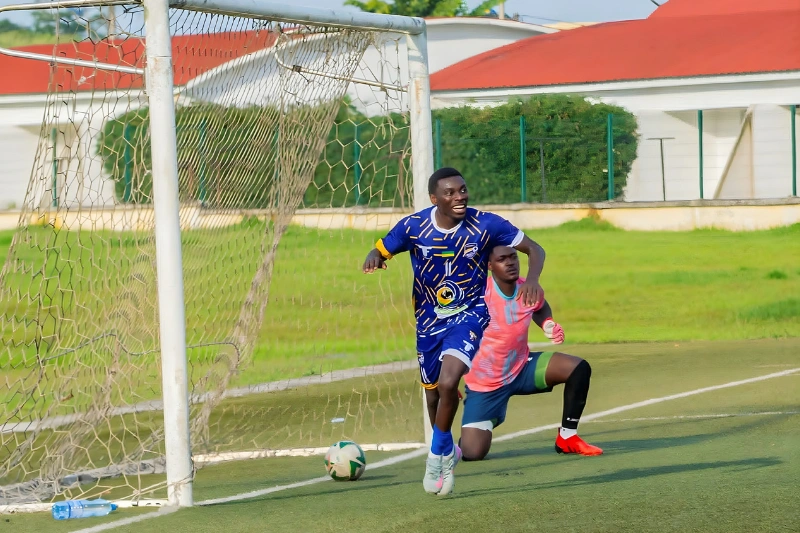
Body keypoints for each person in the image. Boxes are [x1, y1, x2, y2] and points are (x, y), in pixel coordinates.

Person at [362, 167, 546, 496]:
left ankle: (435, 457)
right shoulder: (414, 227)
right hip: (428, 322)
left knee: (449, 383)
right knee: (434, 393)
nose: (459, 196)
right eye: (450, 193)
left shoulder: (486, 224)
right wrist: (375, 256)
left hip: (470, 314)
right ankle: (446, 449)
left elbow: (535, 249)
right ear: (435, 199)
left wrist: (531, 280)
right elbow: (382, 248)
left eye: (462, 190)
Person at [459, 245, 603, 461]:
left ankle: (567, 437)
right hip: (486, 386)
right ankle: (486, 418)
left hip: (522, 368)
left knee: (578, 368)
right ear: (489, 266)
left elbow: (540, 306)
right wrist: (448, 376)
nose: (510, 263)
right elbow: (453, 334)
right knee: (472, 453)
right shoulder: (478, 295)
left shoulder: (528, 288)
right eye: (502, 259)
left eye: (513, 257)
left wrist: (547, 322)